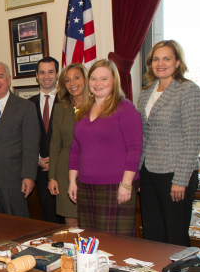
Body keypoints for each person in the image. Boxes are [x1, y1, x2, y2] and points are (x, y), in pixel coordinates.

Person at [137, 40, 200, 246]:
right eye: (156, 59)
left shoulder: (188, 90)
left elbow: (193, 138)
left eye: (167, 58)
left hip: (176, 174)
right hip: (149, 173)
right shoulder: (146, 93)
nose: (160, 63)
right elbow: (144, 135)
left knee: (175, 236)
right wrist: (139, 173)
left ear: (177, 62)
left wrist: (181, 179)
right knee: (152, 235)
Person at [67, 60, 143, 236]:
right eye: (93, 79)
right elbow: (75, 149)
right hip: (86, 187)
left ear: (114, 81)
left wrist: (126, 184)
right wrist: (72, 181)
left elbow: (135, 148)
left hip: (116, 187)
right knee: (90, 240)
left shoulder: (125, 108)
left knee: (116, 243)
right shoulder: (84, 110)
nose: (98, 84)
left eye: (103, 78)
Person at [0, 62, 40, 218]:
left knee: (17, 225)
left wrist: (29, 176)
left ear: (9, 79)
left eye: (0, 76)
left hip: (14, 179)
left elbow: (31, 145)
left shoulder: (25, 107)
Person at [48, 63, 87, 227]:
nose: (72, 83)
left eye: (77, 78)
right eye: (68, 80)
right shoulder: (60, 108)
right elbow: (55, 145)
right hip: (64, 170)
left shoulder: (98, 106)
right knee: (71, 220)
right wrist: (52, 177)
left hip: (90, 168)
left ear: (86, 79)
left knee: (90, 219)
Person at [29, 57, 61, 223]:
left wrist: (56, 161)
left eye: (50, 72)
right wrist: (37, 160)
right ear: (36, 75)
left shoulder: (68, 101)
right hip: (40, 173)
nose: (46, 76)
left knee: (67, 222)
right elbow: (24, 140)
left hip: (64, 171)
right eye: (42, 72)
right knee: (48, 220)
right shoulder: (27, 105)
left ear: (57, 74)